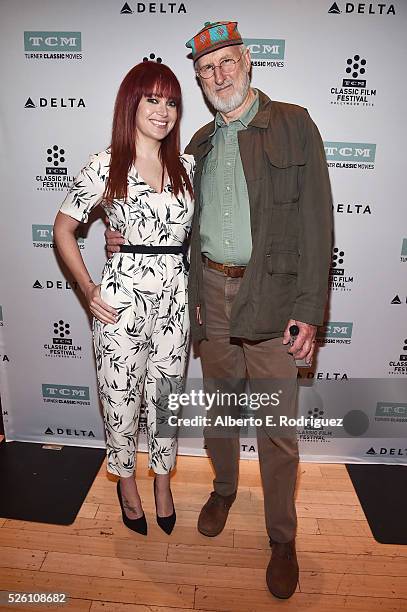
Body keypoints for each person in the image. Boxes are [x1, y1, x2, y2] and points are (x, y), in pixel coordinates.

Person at [105, 21, 333, 598]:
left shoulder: (294, 124)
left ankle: (282, 537)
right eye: (206, 70)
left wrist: (310, 310)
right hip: (209, 294)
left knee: (278, 428)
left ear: (248, 61)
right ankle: (225, 488)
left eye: (226, 62)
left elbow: (316, 224)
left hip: (276, 298)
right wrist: (120, 237)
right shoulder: (199, 144)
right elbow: (165, 213)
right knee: (221, 413)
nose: (217, 76)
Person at [54, 61, 194, 537]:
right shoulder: (106, 163)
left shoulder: (187, 166)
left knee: (166, 400)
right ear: (131, 103)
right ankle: (127, 482)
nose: (163, 110)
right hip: (121, 302)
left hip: (176, 300)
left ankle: (162, 481)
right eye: (152, 99)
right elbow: (63, 229)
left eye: (171, 100)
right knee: (119, 399)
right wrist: (88, 287)